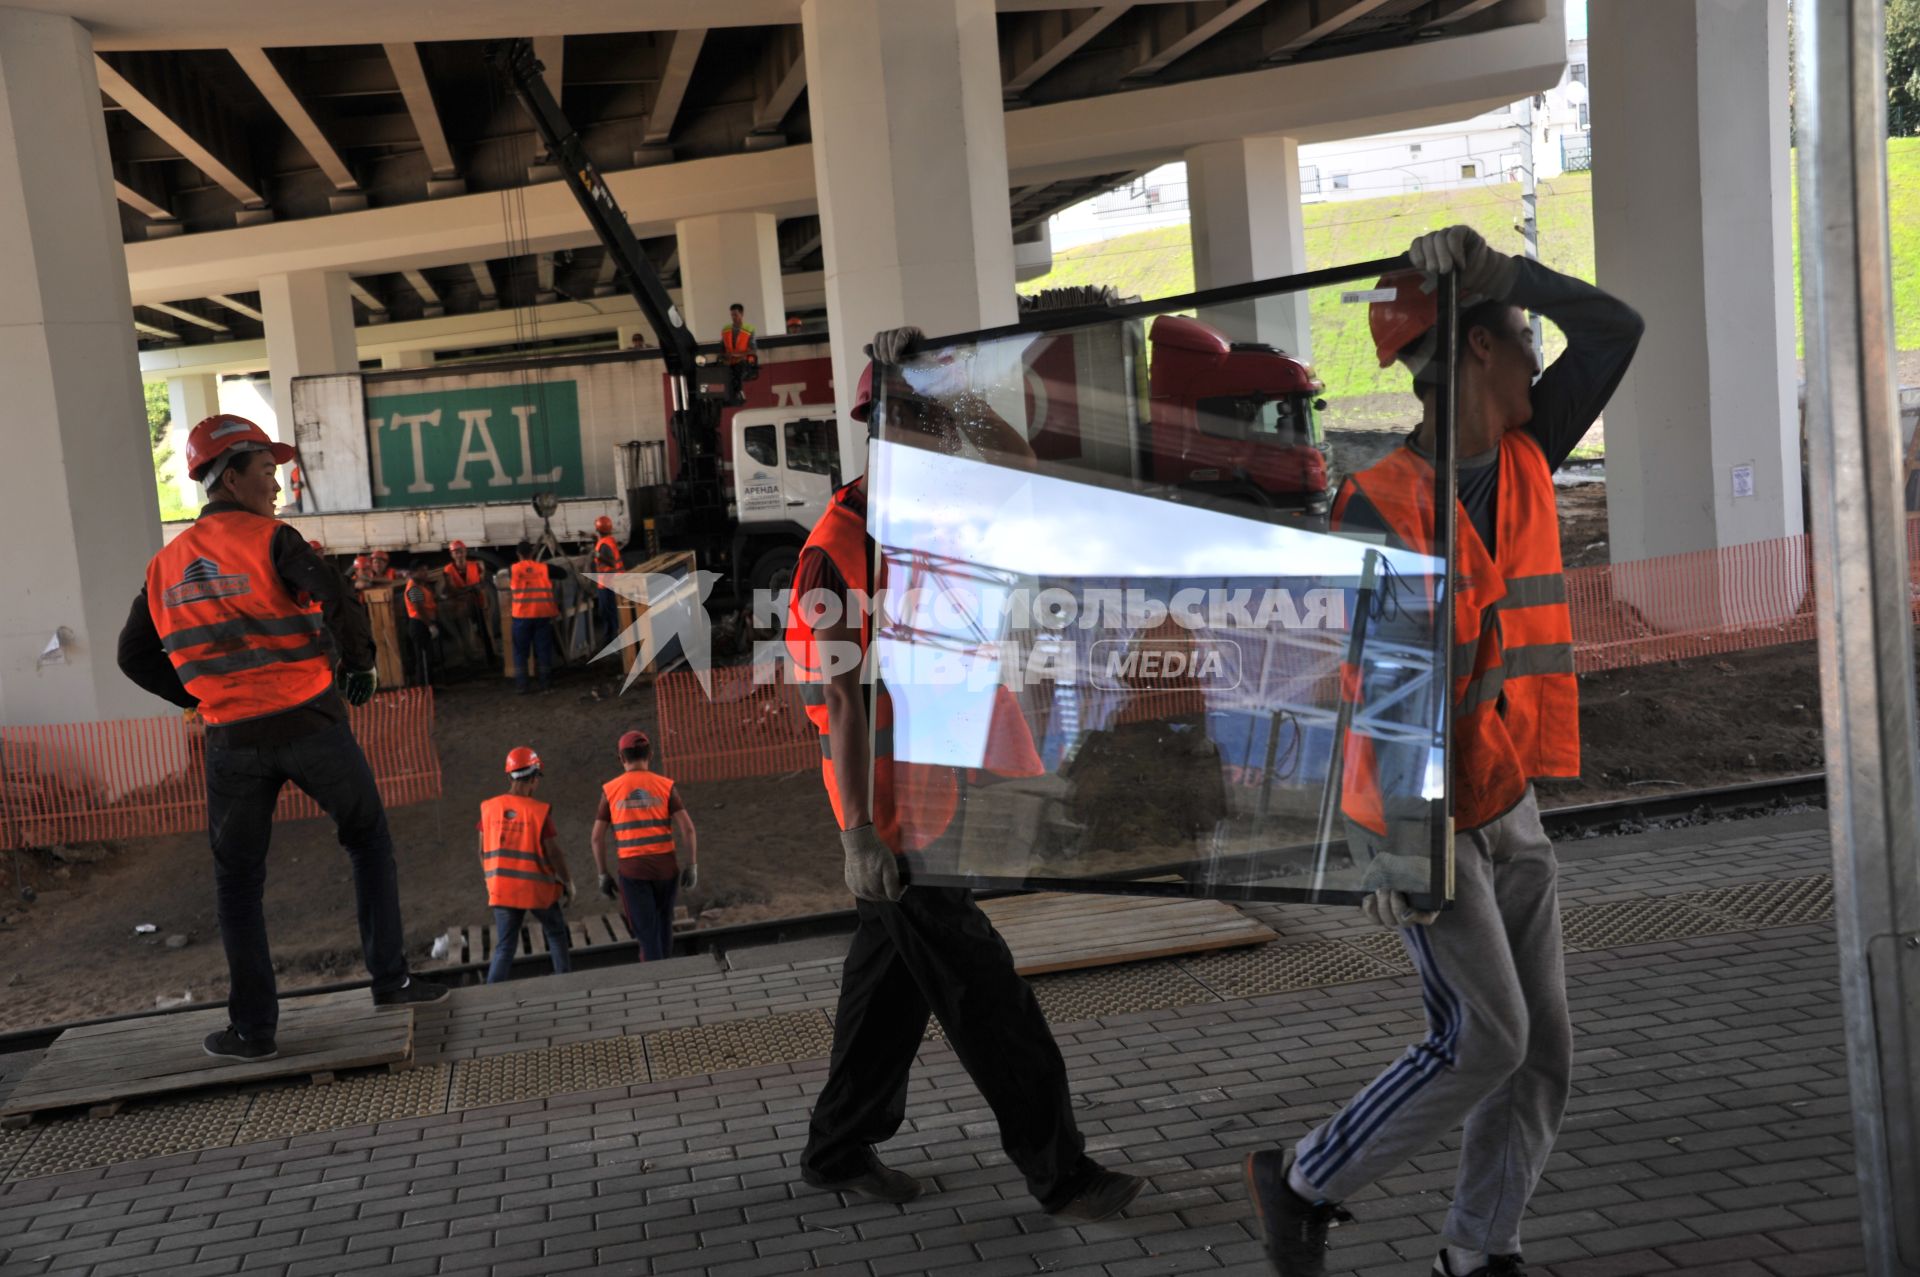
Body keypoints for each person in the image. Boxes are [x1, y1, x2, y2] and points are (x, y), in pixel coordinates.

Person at [1242, 226, 1643, 1277]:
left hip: (1508, 800)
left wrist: (1510, 278)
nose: (1538, 355)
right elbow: (1351, 685)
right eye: (1520, 332)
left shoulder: (1526, 449)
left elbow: (1614, 328)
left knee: (1538, 1051)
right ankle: (1300, 1178)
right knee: (1486, 1039)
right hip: (1425, 819)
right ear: (1476, 352)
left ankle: (1479, 1248)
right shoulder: (1373, 504)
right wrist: (1383, 844)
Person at [784, 330, 1142, 1223]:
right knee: (987, 996)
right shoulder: (843, 545)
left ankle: (837, 1149)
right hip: (895, 818)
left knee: (890, 988)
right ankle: (1061, 1172)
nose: (927, 440)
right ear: (875, 426)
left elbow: (1027, 472)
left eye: (933, 423)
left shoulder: (938, 519)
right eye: (907, 420)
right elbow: (845, 700)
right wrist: (860, 836)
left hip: (937, 798)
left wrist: (952, 385)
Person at [117, 414, 448, 1062]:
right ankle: (390, 980)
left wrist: (197, 693)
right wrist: (358, 664)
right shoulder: (272, 539)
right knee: (367, 837)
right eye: (266, 471)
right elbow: (334, 592)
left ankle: (254, 1031)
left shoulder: (163, 567)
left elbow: (132, 654)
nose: (276, 483)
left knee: (237, 881)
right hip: (310, 725)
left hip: (231, 745)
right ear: (229, 477)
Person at [591, 730, 696, 961]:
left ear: (621, 758)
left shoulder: (610, 790)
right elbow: (687, 829)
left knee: (646, 933)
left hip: (633, 872)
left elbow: (597, 837)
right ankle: (667, 972)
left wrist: (603, 874)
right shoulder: (665, 786)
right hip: (666, 869)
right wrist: (691, 865)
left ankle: (657, 983)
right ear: (651, 754)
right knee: (663, 923)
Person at [478, 747, 574, 983]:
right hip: (536, 891)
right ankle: (567, 985)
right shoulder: (538, 812)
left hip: (502, 890)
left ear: (510, 776)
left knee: (505, 947)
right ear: (532, 778)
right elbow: (554, 853)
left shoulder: (490, 809)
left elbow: (482, 850)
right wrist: (568, 882)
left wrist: (491, 879)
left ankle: (490, 997)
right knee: (556, 933)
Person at [508, 540, 559, 694]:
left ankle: (522, 686)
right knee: (543, 650)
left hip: (522, 617)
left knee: (520, 652)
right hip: (542, 615)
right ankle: (546, 684)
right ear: (533, 553)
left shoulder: (513, 569)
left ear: (518, 554)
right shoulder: (544, 568)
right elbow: (563, 574)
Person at [443, 540, 497, 666]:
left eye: (461, 551)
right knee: (466, 633)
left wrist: (478, 584)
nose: (459, 555)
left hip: (478, 603)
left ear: (465, 552)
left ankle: (490, 657)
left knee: (484, 631)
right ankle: (471, 658)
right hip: (461, 606)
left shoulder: (475, 565)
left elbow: (482, 582)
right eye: (456, 552)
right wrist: (472, 588)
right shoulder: (448, 570)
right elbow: (451, 588)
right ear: (452, 555)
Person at [401, 567, 442, 688]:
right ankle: (424, 687)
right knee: (423, 658)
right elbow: (419, 609)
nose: (425, 573)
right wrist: (430, 625)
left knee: (426, 656)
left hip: (421, 623)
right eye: (422, 571)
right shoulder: (414, 588)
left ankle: (429, 686)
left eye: (426, 570)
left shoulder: (419, 586)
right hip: (419, 624)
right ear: (414, 573)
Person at [589, 515, 624, 652]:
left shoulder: (604, 545)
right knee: (609, 613)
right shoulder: (608, 540)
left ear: (598, 529)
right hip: (611, 582)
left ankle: (612, 643)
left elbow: (611, 562)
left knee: (607, 613)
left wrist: (596, 555)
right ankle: (610, 640)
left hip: (607, 584)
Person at [719, 302, 757, 403]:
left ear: (741, 314)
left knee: (738, 371)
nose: (733, 317)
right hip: (728, 361)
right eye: (732, 315)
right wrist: (724, 357)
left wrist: (735, 355)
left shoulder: (749, 329)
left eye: (735, 314)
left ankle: (738, 393)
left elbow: (753, 350)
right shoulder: (725, 329)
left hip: (742, 361)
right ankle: (727, 396)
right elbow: (722, 348)